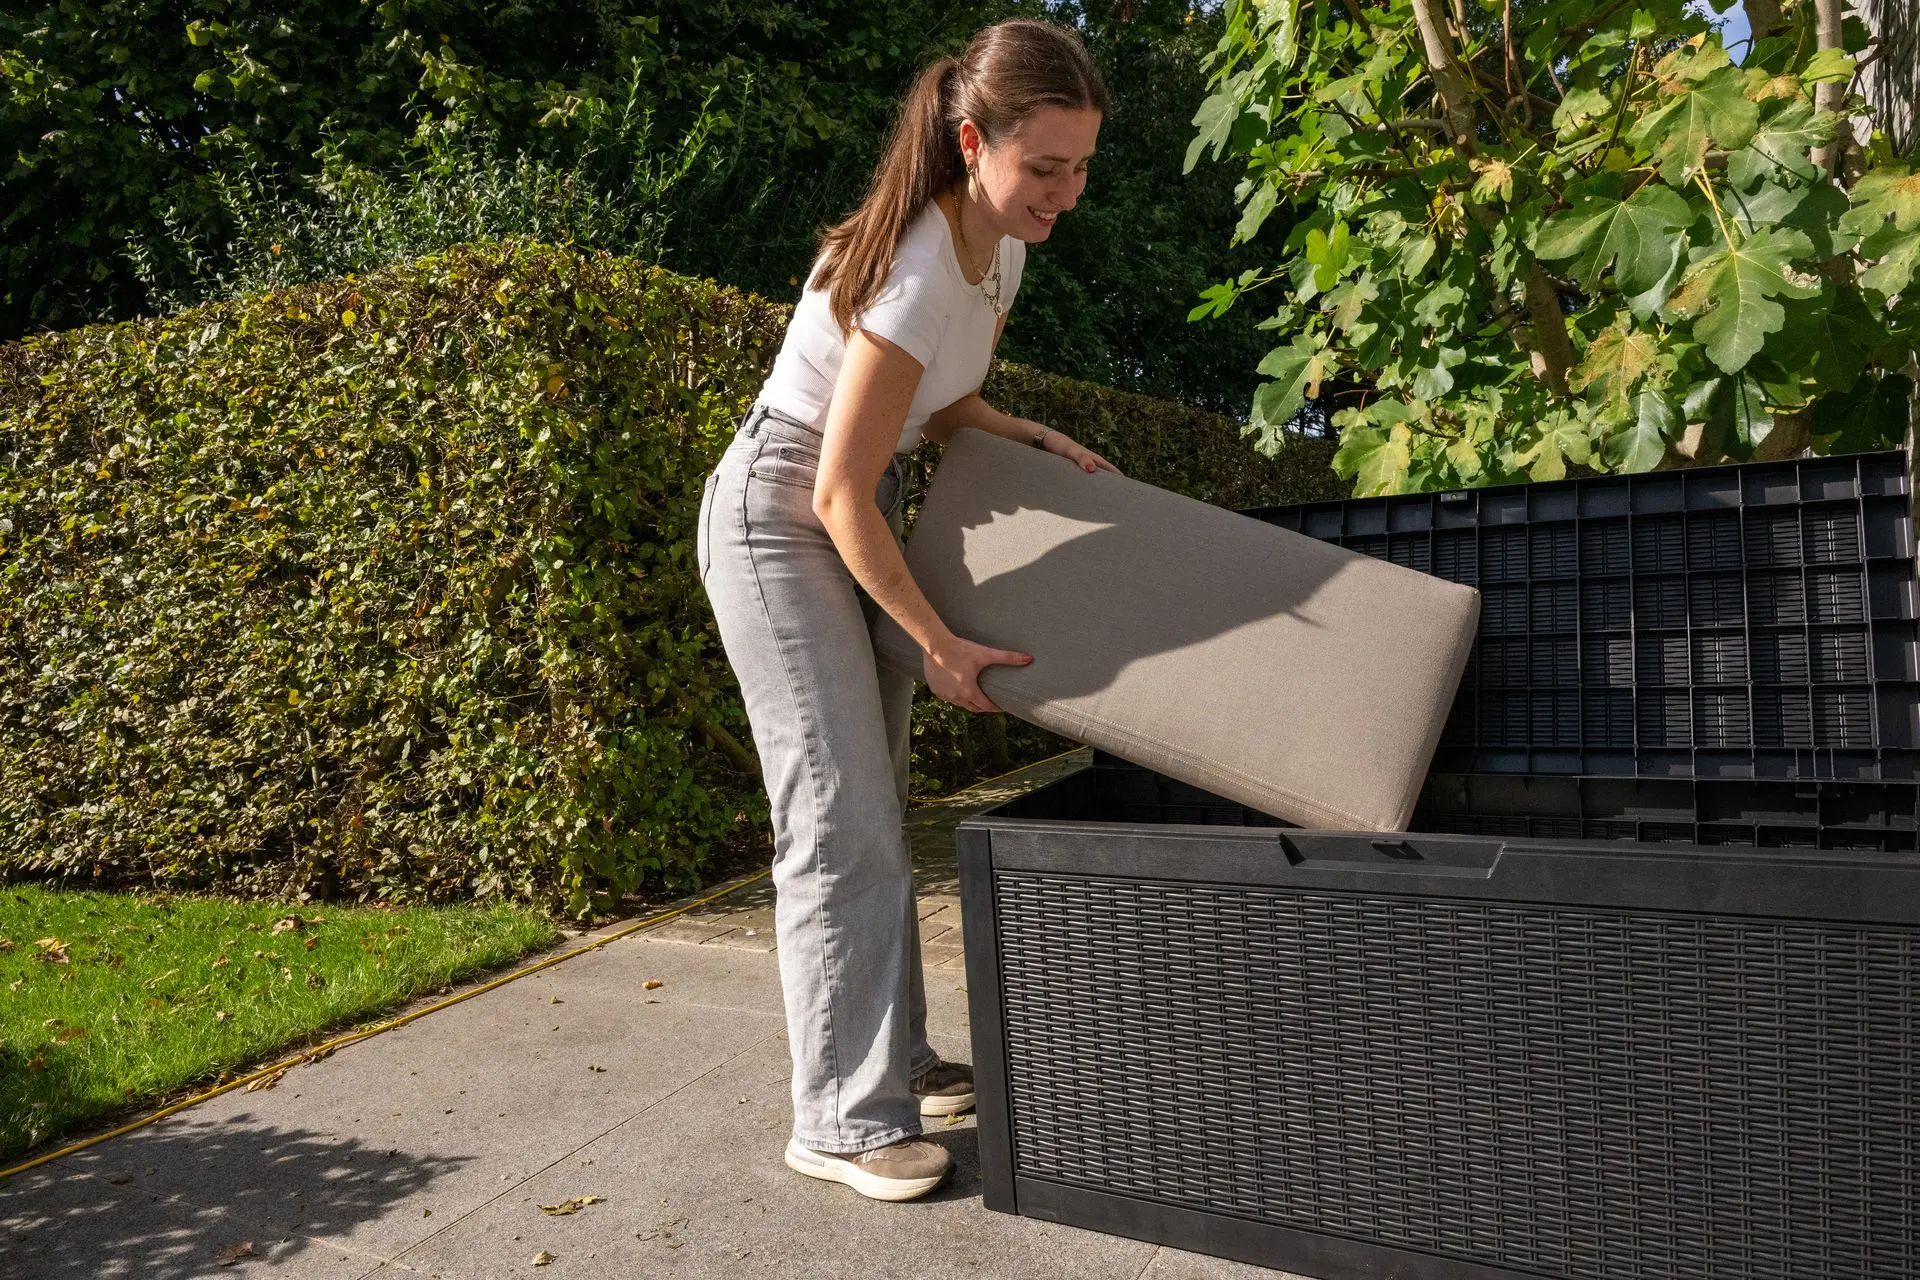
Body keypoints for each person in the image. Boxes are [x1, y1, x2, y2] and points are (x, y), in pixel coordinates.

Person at [694, 18, 1118, 1203]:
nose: (1066, 193)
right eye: (1045, 167)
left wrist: (1023, 430)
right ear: (973, 144)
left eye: (1082, 167)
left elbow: (939, 402)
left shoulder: (1003, 252)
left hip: (851, 503)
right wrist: (936, 640)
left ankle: (897, 1063)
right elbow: (833, 485)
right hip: (782, 516)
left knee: (876, 802)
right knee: (838, 817)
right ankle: (838, 1119)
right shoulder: (918, 267)